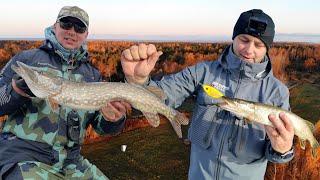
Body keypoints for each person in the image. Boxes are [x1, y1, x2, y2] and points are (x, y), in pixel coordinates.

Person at [121, 9, 295, 179]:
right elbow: (163, 97)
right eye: (244, 40)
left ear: (267, 49)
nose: (249, 50)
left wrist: (283, 149)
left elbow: (277, 155)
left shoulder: (277, 93)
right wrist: (140, 82)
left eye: (258, 45)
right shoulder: (204, 72)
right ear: (234, 38)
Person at [0, 6, 130, 179]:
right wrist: (16, 90)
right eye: (66, 24)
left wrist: (113, 119)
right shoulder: (26, 59)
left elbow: (102, 128)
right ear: (55, 26)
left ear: (86, 34)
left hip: (71, 162)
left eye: (79, 27)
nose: (72, 31)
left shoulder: (92, 75)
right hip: (23, 155)